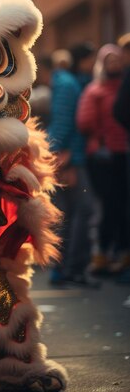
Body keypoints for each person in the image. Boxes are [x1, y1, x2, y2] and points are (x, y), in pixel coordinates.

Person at [77, 43, 129, 275]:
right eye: (110, 61)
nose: (115, 65)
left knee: (122, 205)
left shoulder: (124, 87)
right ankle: (103, 254)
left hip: (123, 153)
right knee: (107, 205)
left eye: (117, 60)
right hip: (102, 155)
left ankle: (121, 253)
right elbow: (84, 122)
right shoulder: (94, 90)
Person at [47, 44, 96, 286]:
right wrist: (62, 156)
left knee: (67, 212)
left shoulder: (64, 82)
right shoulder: (67, 84)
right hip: (69, 158)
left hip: (67, 156)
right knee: (80, 210)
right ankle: (70, 266)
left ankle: (63, 267)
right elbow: (65, 122)